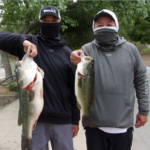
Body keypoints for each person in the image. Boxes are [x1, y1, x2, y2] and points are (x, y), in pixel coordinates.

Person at [0, 5, 80, 150]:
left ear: (59, 22)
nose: (49, 23)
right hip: (34, 121)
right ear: (40, 23)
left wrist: (75, 119)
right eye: (45, 20)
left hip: (62, 121)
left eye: (53, 20)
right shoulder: (30, 44)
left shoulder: (68, 54)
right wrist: (22, 40)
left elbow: (73, 91)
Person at [70, 9, 149, 150]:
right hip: (94, 125)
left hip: (123, 124)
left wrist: (144, 110)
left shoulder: (131, 50)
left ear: (116, 26)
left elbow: (142, 80)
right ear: (94, 28)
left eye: (109, 24)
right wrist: (72, 60)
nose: (104, 27)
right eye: (99, 25)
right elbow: (75, 79)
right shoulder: (86, 50)